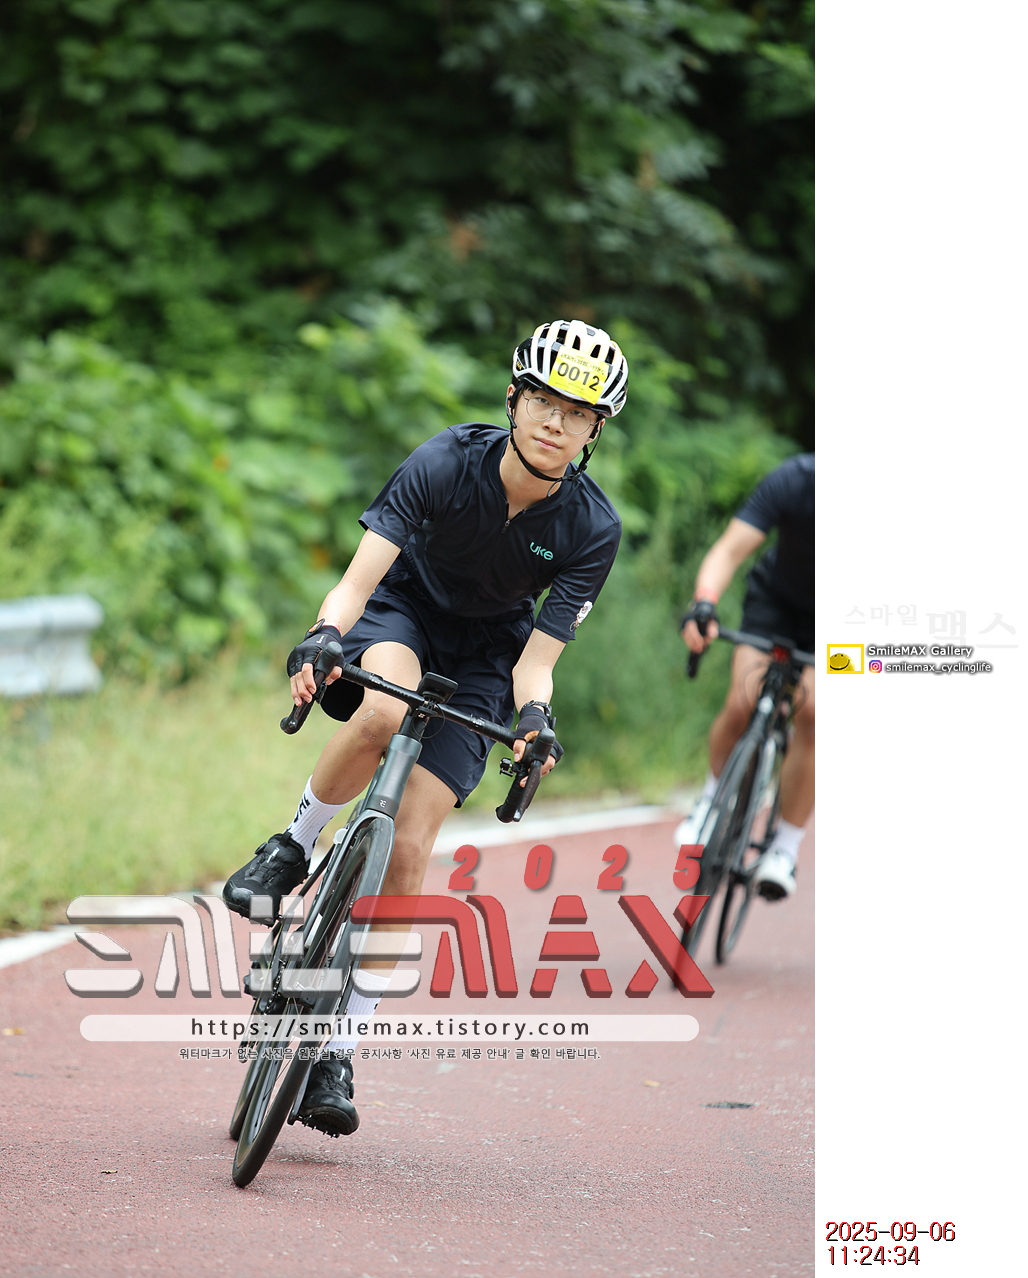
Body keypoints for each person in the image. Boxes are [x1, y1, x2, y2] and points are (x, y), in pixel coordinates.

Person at [222, 320, 626, 1137]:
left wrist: (536, 719)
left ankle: (338, 1049)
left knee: (410, 847)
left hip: (487, 659)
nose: (556, 422)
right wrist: (324, 635)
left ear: (594, 432)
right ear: (513, 399)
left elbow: (536, 665)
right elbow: (355, 582)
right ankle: (293, 845)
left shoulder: (591, 527)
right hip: (401, 614)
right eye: (544, 401)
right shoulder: (446, 460)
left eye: (578, 413)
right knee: (384, 708)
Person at [676, 453, 814, 901]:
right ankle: (711, 799)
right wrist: (704, 603)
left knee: (814, 713)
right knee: (743, 700)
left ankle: (784, 849)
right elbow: (729, 550)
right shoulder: (796, 479)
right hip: (776, 602)